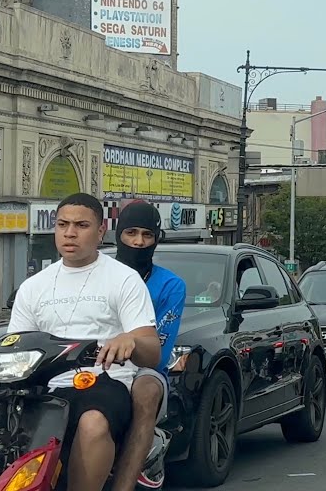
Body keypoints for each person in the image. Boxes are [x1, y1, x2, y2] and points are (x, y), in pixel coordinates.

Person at [0, 193, 161, 491]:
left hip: (99, 381)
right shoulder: (33, 286)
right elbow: (16, 344)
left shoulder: (124, 279)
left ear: (101, 231)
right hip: (35, 386)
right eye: (63, 224)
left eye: (81, 225)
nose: (70, 233)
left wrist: (130, 340)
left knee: (93, 423)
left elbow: (151, 350)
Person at [109, 201, 187, 491]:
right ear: (118, 234)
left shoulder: (171, 286)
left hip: (143, 368)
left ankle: (135, 467)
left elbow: (159, 353)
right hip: (88, 363)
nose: (138, 242)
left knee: (146, 390)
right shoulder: (96, 272)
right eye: (131, 233)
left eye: (147, 235)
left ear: (157, 239)